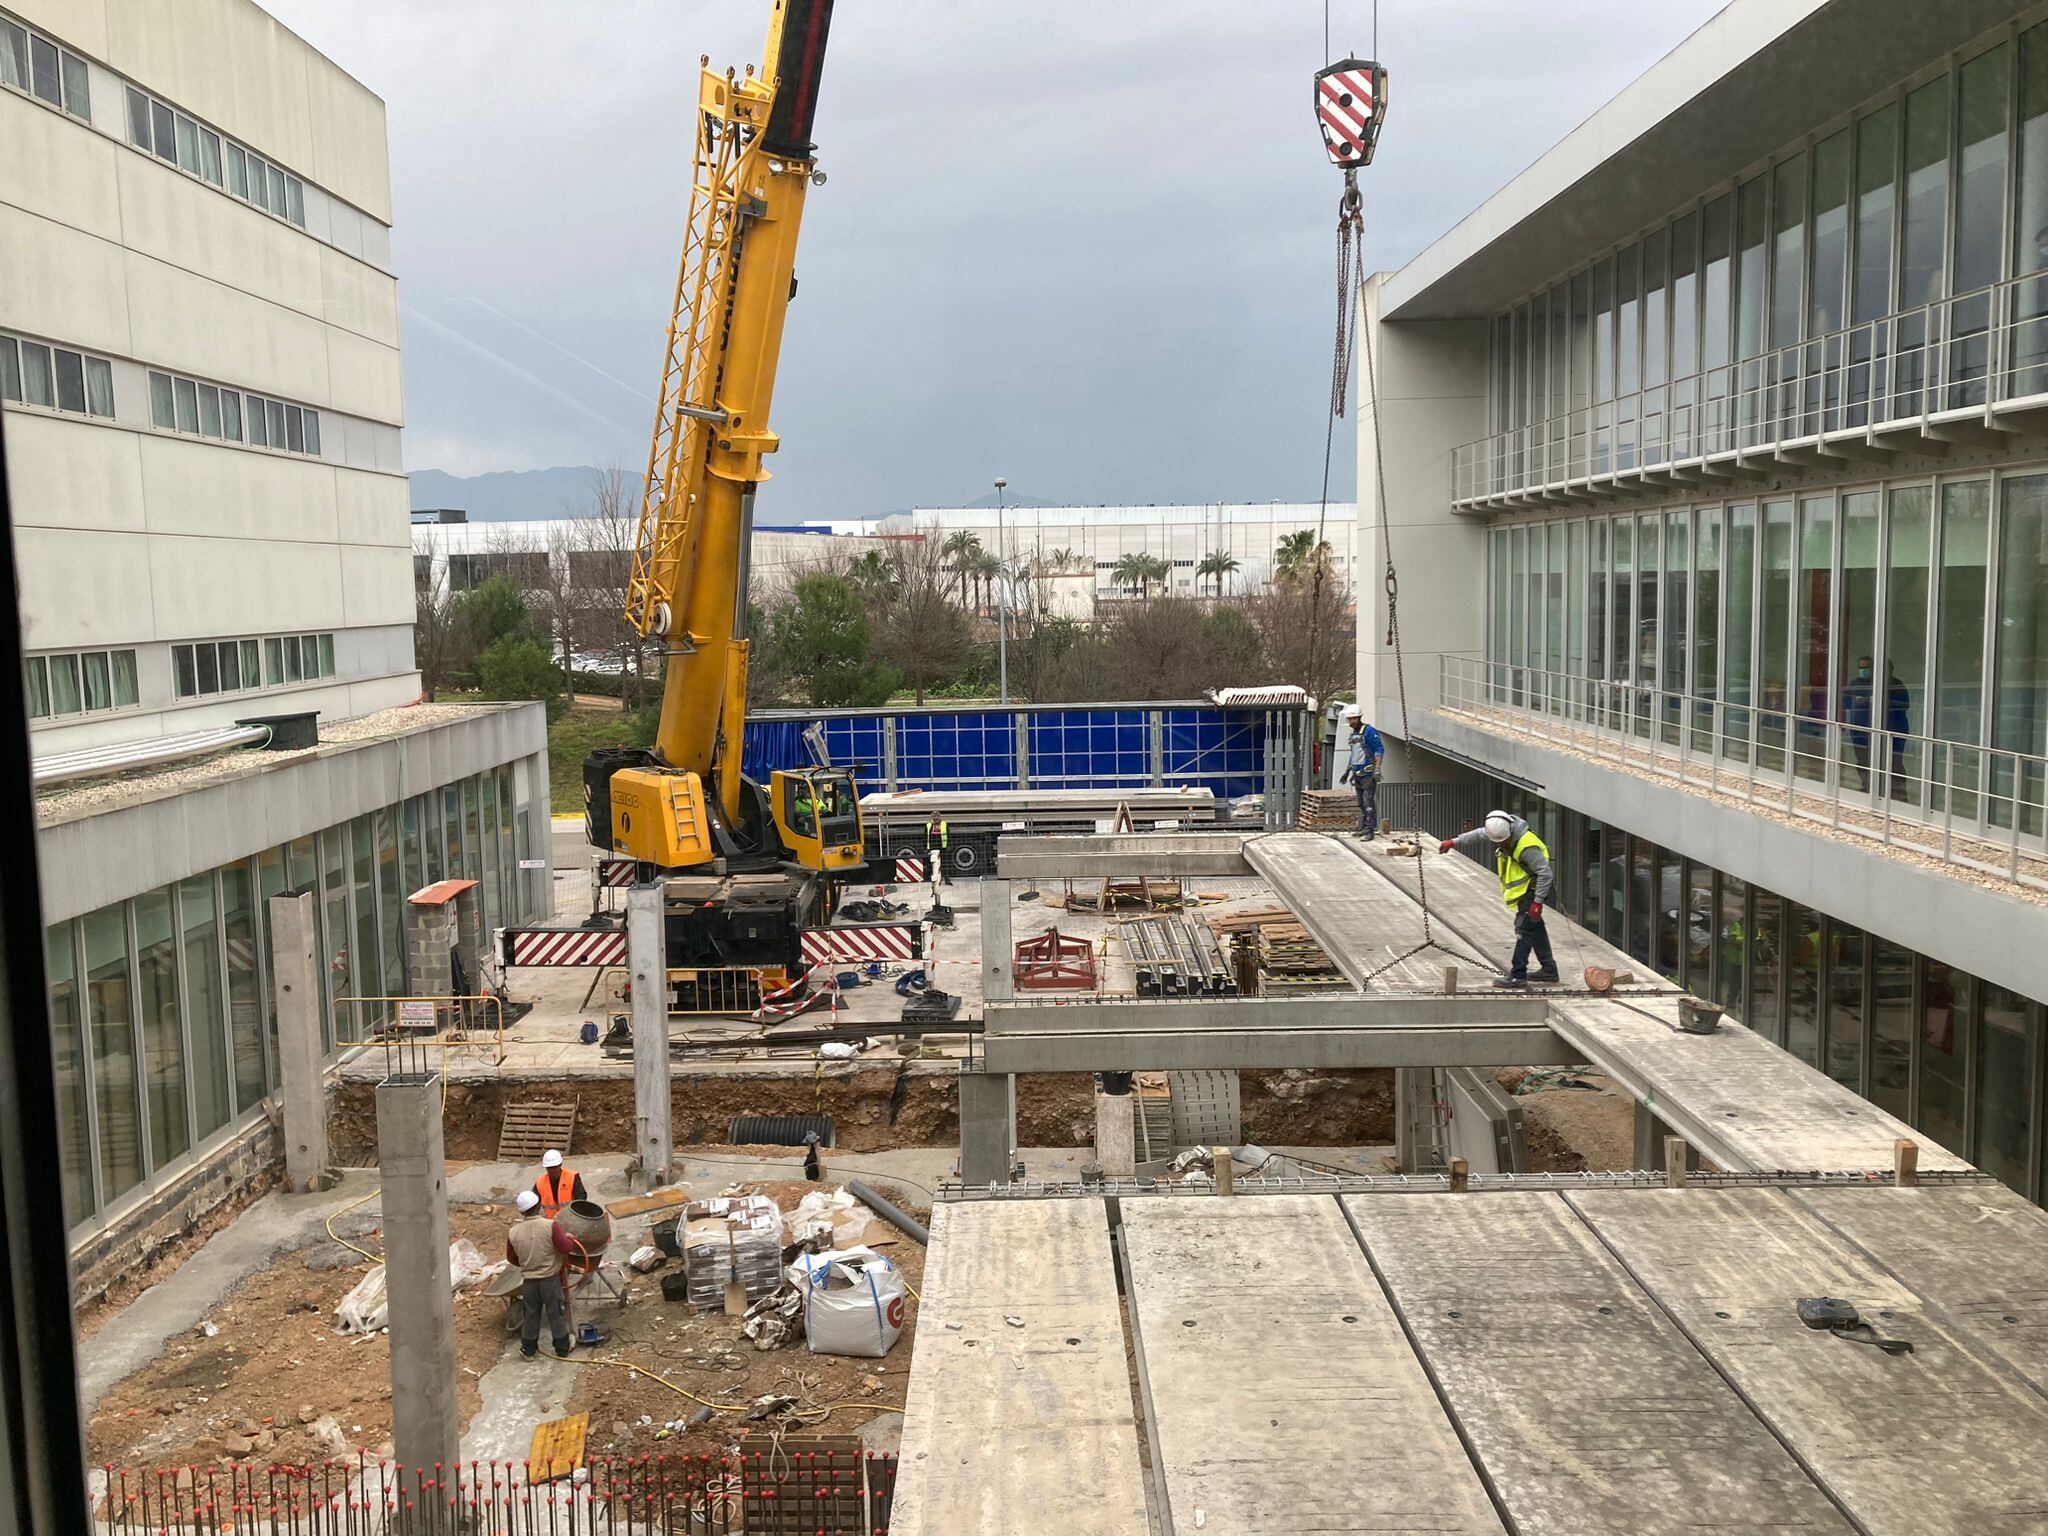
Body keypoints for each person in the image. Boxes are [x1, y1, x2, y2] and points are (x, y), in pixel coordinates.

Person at [1439, 809, 1558, 987]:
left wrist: (1537, 902)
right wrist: (1453, 842)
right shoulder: (1501, 829)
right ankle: (1549, 971)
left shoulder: (1526, 846)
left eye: (1504, 841)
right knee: (1535, 929)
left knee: (1523, 931)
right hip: (1527, 892)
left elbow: (1545, 874)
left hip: (1535, 892)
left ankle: (1518, 975)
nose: (1503, 844)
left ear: (1510, 832)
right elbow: (1478, 834)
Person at [507, 1189, 573, 1360]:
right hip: (550, 1279)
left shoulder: (513, 1232)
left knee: (531, 1314)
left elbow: (512, 1258)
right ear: (538, 1206)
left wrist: (529, 1264)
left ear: (522, 1211)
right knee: (556, 1313)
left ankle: (528, 1350)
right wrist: (570, 1239)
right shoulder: (550, 1226)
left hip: (529, 1282)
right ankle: (562, 1349)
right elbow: (565, 1248)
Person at [1341, 707, 1386, 838]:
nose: (1351, 721)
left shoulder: (1369, 731)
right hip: (1357, 774)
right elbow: (1355, 753)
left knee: (1368, 803)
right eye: (1350, 719)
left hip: (1368, 774)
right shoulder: (1354, 734)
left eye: (1353, 718)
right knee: (1361, 803)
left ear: (1359, 717)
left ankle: (1370, 830)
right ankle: (1364, 827)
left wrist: (1377, 768)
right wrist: (1347, 770)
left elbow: (1379, 749)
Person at [533, 1149, 585, 1219]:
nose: (552, 1171)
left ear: (560, 1164)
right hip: (549, 1222)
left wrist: (575, 1214)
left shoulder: (572, 1177)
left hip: (569, 1220)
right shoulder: (540, 1182)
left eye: (554, 1167)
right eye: (549, 1168)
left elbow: (581, 1196)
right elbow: (533, 1203)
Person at [924, 811, 949, 889]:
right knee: (932, 863)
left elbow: (949, 835)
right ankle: (932, 879)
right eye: (934, 816)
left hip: (942, 846)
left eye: (937, 816)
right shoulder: (928, 825)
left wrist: (948, 845)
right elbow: (925, 836)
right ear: (932, 817)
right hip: (932, 846)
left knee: (944, 863)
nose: (936, 818)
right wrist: (925, 847)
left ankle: (946, 879)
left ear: (939, 816)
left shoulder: (944, 824)